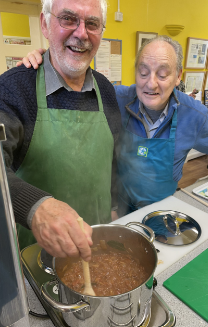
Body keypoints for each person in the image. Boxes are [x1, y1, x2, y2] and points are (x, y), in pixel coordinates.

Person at [22, 36, 208, 217]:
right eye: (143, 72)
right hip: (117, 207)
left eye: (162, 74)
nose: (151, 84)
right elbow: (72, 86)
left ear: (178, 76)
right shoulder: (115, 98)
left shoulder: (195, 116)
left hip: (163, 209)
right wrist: (46, 64)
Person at [0, 0, 121, 260]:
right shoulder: (13, 90)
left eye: (92, 23)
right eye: (68, 19)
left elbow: (112, 160)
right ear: (45, 24)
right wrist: (35, 207)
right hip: (36, 261)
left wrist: (113, 207)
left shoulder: (107, 91)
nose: (81, 33)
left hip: (97, 247)